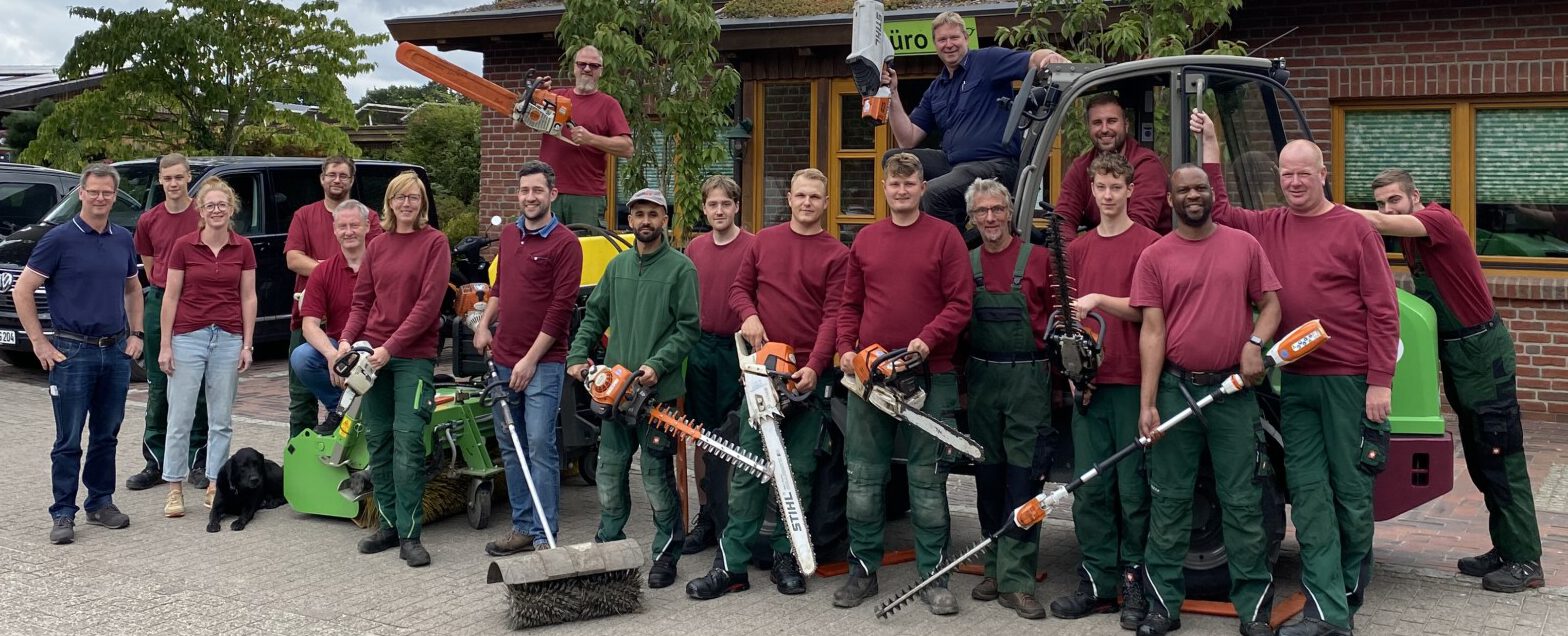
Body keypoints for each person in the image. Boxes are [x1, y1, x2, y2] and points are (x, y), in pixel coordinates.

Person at [1194, 111, 1399, 636]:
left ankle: (1348, 594)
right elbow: (1218, 209)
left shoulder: (1355, 228)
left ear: (1323, 173)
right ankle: (1326, 611)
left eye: (1303, 173)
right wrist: (1213, 144)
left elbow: (1383, 310)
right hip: (1298, 382)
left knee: (1351, 496)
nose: (1295, 182)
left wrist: (1380, 382)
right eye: (1286, 174)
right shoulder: (1271, 224)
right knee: (1308, 497)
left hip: (1350, 382)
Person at [1354, 169, 1543, 593]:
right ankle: (1506, 548)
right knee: (1481, 457)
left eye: (1394, 200)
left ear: (1415, 197)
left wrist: (1321, 210)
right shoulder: (1411, 238)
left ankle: (1526, 561)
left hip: (1482, 353)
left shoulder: (1438, 221)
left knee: (1502, 456)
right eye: (1381, 203)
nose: (1387, 210)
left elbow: (1380, 225)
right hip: (1460, 355)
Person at [1127, 163, 1282, 636]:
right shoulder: (1156, 256)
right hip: (1175, 391)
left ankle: (1254, 608)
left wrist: (1255, 345)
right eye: (1183, 189)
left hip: (1232, 393)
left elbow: (1271, 304)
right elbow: (1152, 332)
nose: (1193, 195)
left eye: (1200, 187)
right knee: (1169, 500)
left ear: (1211, 193)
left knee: (1242, 501)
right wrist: (1147, 402)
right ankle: (1162, 608)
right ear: (1170, 199)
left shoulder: (1244, 245)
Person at [686, 168, 848, 600]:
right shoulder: (765, 243)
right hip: (761, 375)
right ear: (790, 199)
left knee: (799, 474)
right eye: (800, 195)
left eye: (816, 196)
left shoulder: (836, 254)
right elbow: (741, 289)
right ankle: (732, 564)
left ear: (825, 202)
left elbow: (834, 315)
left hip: (806, 379)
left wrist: (814, 366)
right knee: (747, 472)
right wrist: (750, 315)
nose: (807, 202)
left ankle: (786, 558)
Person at [832, 152, 972, 614]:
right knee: (864, 478)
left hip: (930, 374)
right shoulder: (867, 239)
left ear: (922, 187)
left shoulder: (945, 237)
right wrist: (847, 349)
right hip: (871, 380)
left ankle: (934, 577)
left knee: (927, 483)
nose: (902, 190)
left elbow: (959, 303)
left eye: (910, 183)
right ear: (885, 187)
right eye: (894, 183)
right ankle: (862, 570)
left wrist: (927, 342)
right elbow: (849, 304)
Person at [566, 187, 699, 589]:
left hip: (655, 393)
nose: (645, 221)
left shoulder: (681, 269)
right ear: (630, 220)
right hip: (614, 391)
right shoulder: (617, 265)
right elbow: (594, 314)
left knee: (657, 477)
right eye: (638, 214)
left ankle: (666, 553)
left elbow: (688, 328)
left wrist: (656, 366)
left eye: (653, 215)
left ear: (665, 221)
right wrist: (577, 354)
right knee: (609, 471)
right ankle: (610, 543)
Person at [1052, 153, 1161, 627]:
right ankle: (1097, 582)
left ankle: (1135, 582)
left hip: (1132, 382)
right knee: (1091, 489)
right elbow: (1067, 323)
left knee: (1134, 491)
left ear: (1131, 191)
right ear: (1092, 192)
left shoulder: (1150, 246)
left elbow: (1148, 312)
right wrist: (1076, 377)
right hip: (1090, 388)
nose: (1109, 195)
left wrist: (1099, 300)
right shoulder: (1076, 250)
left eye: (1117, 186)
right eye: (1101, 187)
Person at [15, 163, 143, 544]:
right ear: (80, 194)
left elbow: (133, 289)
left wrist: (136, 335)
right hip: (72, 353)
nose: (101, 198)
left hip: (114, 351)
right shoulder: (58, 240)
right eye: (94, 191)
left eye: (108, 192)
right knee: (68, 439)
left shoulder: (122, 238)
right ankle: (63, 513)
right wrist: (39, 342)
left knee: (106, 436)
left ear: (114, 196)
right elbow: (23, 291)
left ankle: (101, 502)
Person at [336, 172, 450, 568]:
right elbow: (361, 302)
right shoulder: (377, 245)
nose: (406, 203)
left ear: (422, 203)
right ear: (389, 202)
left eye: (414, 197)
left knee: (408, 444)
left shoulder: (435, 243)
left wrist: (391, 349)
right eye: (400, 197)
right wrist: (348, 340)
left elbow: (428, 305)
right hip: (374, 360)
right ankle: (386, 526)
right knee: (379, 442)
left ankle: (411, 534)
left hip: (411, 357)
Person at [473, 161, 583, 556]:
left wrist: (531, 360)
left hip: (544, 364)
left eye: (537, 191)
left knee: (538, 444)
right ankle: (521, 526)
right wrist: (485, 324)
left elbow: (560, 309)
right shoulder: (509, 235)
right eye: (524, 191)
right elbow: (499, 286)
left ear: (552, 194)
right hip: (503, 357)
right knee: (511, 443)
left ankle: (543, 534)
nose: (530, 198)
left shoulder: (566, 243)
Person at [961, 178, 1055, 620]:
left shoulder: (1039, 259)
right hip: (982, 377)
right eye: (982, 212)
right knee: (988, 476)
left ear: (1011, 211)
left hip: (1027, 379)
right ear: (972, 217)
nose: (991, 218)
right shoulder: (967, 262)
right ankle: (994, 567)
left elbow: (1061, 326)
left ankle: (1018, 579)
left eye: (998, 209)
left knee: (1024, 478)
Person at [880, 11, 1068, 227]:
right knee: (894, 157)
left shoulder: (987, 61)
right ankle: (914, 229)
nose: (949, 44)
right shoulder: (937, 88)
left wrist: (1049, 57)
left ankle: (947, 250)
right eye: (942, 39)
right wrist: (892, 93)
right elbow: (908, 139)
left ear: (965, 39)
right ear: (935, 45)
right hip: (954, 165)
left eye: (954, 38)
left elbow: (1031, 59)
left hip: (994, 166)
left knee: (933, 192)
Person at [157, 179, 257, 517]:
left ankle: (215, 483)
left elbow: (248, 296)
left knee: (221, 419)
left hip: (228, 338)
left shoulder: (243, 247)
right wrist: (165, 345)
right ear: (200, 210)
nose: (217, 210)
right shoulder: (184, 246)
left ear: (232, 209)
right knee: (180, 417)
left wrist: (247, 343)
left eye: (222, 205)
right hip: (188, 337)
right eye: (210, 205)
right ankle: (174, 487)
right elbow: (170, 297)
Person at [680, 174, 755, 555]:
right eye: (713, 204)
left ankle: (734, 517)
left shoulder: (753, 247)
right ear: (704, 208)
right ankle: (707, 516)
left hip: (737, 348)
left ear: (737, 206)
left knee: (736, 434)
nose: (720, 210)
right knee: (702, 434)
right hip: (701, 348)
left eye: (726, 204)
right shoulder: (695, 248)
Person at [125, 153, 210, 492]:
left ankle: (198, 459)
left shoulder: (202, 214)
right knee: (159, 386)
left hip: (198, 302)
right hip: (161, 299)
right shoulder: (149, 220)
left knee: (199, 385)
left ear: (189, 177)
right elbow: (150, 264)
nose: (173, 183)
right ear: (160, 180)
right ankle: (156, 461)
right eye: (167, 178)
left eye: (179, 177)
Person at [285, 157, 383, 437]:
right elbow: (292, 258)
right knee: (302, 366)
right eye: (331, 175)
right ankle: (339, 412)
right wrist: (330, 272)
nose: (337, 180)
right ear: (322, 178)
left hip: (372, 340)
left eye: (343, 175)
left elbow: (376, 250)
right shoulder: (305, 216)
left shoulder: (373, 231)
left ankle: (351, 412)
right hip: (326, 326)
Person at [535, 45, 634, 227]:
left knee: (585, 250)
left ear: (601, 71)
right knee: (542, 250)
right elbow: (517, 123)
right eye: (582, 64)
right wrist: (534, 94)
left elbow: (627, 148)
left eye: (593, 66)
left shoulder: (608, 105)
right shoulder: (555, 97)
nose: (587, 69)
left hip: (586, 196)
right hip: (548, 191)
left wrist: (591, 139)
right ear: (574, 67)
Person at [1052, 94, 1172, 239]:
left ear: (1126, 125)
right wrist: (1071, 257)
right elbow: (1063, 221)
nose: (1104, 129)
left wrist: (1092, 253)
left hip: (1147, 255)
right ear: (1088, 127)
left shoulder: (1147, 165)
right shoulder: (1080, 167)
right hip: (1100, 249)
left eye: (1112, 121)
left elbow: (1138, 228)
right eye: (1097, 123)